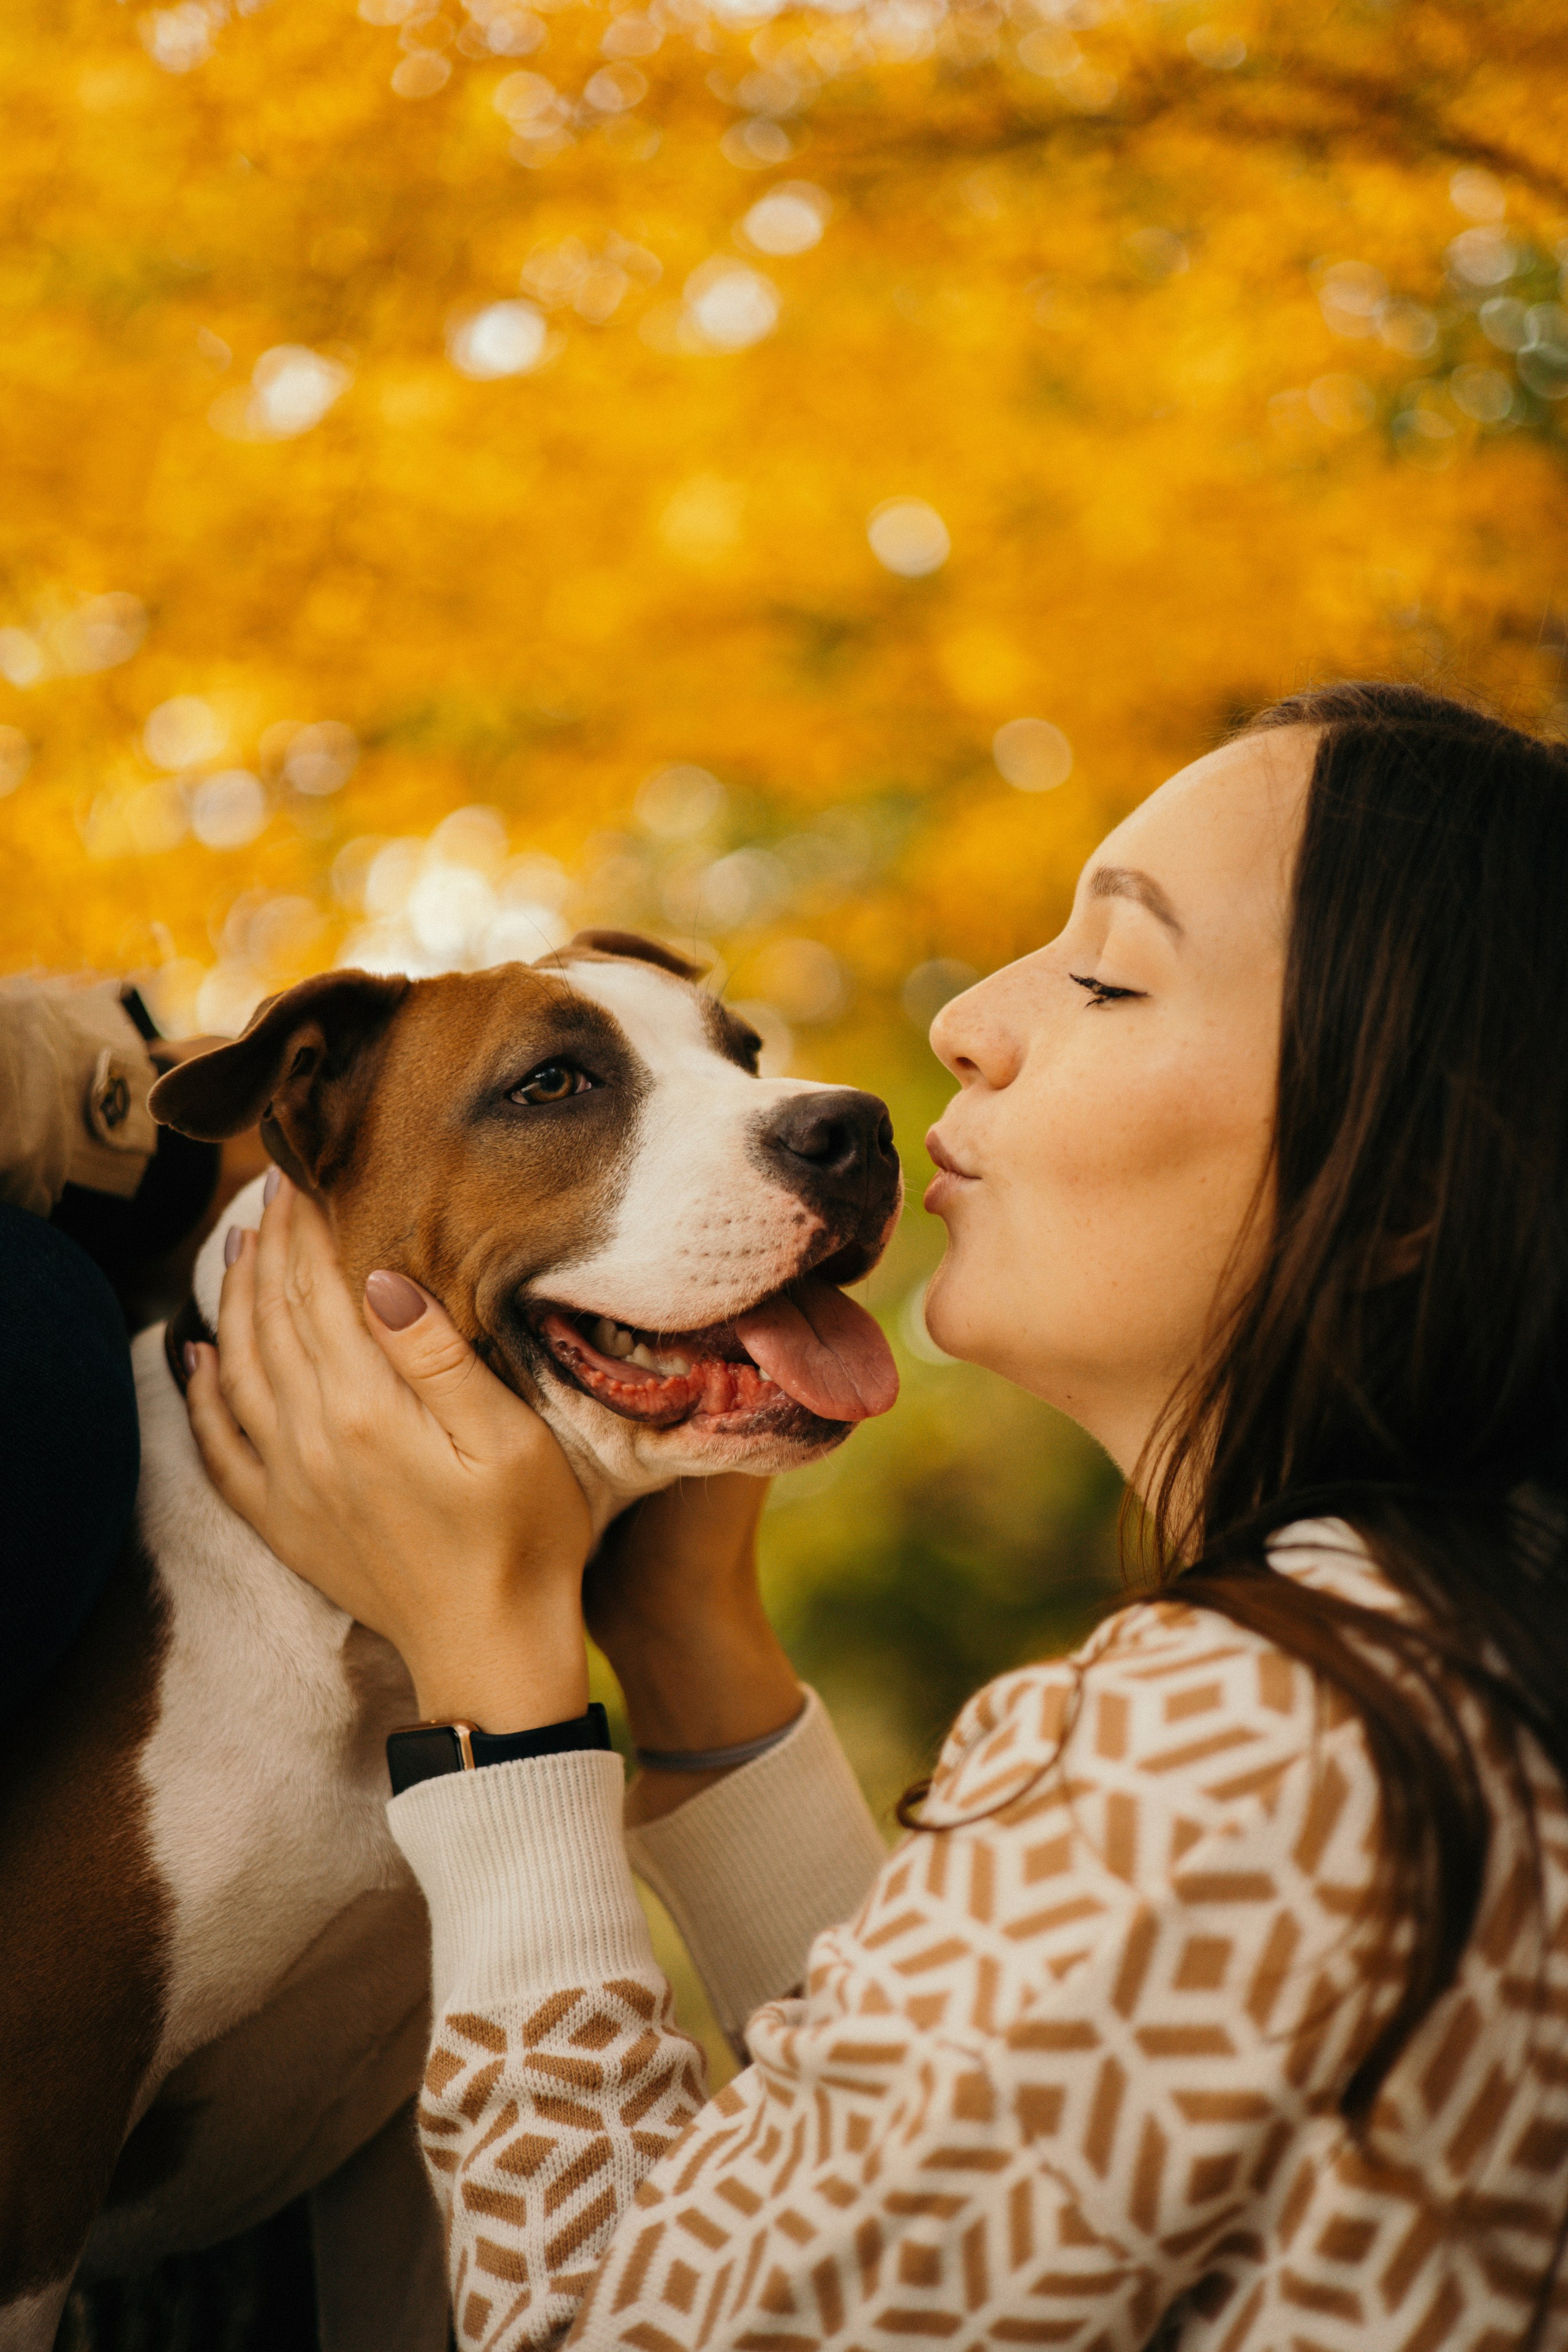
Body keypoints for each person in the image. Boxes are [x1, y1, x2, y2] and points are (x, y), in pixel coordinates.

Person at [186, 681, 1568, 2350]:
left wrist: (496, 1698)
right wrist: (691, 1632)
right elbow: (897, 2181)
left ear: (1412, 1182)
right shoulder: (1434, 1662)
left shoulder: (1262, 1742)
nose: (965, 1020)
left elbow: (619, 2328)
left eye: (1109, 975)